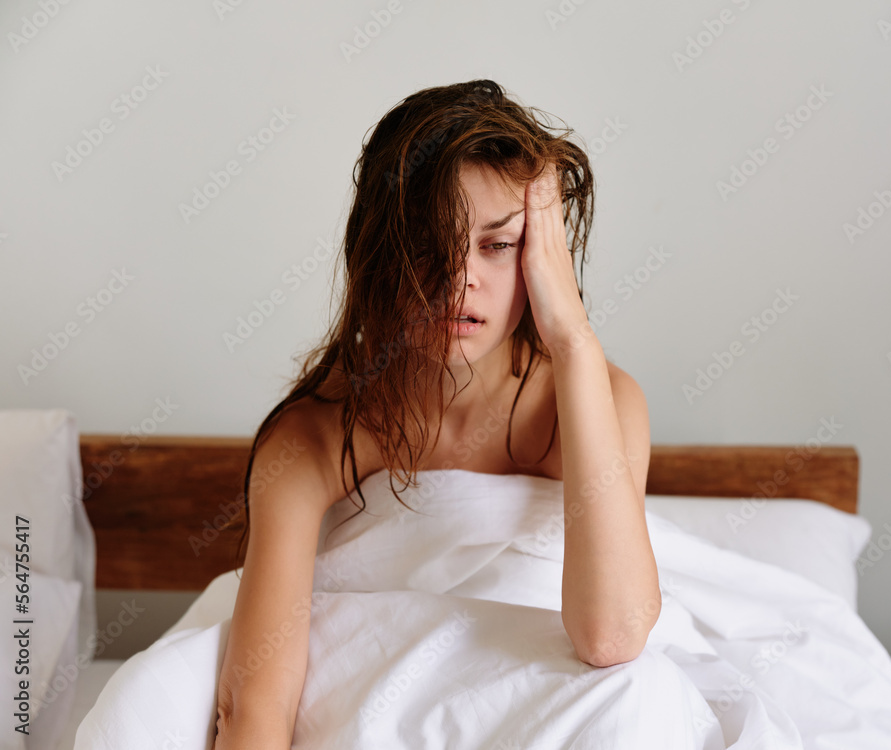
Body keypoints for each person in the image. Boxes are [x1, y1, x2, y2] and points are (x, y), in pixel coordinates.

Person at [211, 79, 661, 749]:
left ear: (545, 256)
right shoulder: (313, 434)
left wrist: (571, 336)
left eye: (496, 245)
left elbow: (612, 636)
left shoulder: (597, 400)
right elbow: (256, 708)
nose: (460, 280)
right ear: (379, 256)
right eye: (427, 246)